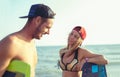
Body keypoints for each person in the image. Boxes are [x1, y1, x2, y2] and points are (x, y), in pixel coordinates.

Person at [0, 4, 55, 77]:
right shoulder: (11, 43)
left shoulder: (32, 43)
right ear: (37, 20)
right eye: (47, 27)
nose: (48, 32)